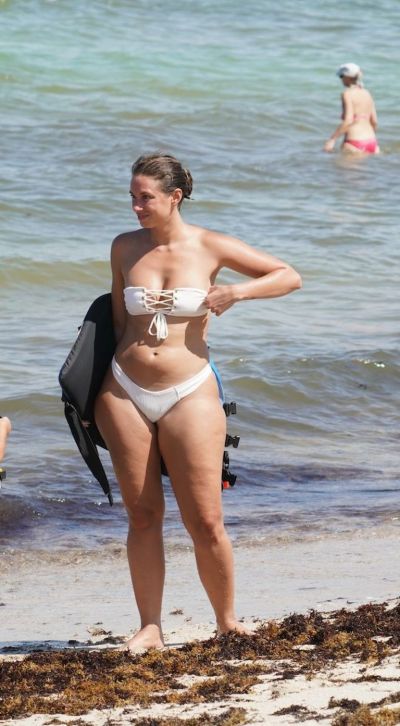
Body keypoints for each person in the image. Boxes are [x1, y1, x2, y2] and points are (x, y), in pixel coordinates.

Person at [95, 153, 302, 652]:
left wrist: (236, 293)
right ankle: (150, 627)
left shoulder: (210, 246)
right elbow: (117, 322)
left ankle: (227, 621)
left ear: (174, 197)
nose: (136, 206)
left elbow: (288, 276)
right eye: (132, 197)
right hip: (123, 388)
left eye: (145, 197)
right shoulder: (124, 247)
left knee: (205, 520)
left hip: (189, 388)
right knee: (142, 515)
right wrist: (90, 395)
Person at [324, 63, 379, 154]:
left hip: (354, 142)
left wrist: (332, 140)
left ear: (347, 77)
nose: (341, 79)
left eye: (341, 76)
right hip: (372, 142)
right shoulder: (367, 93)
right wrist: (368, 139)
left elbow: (348, 121)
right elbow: (374, 121)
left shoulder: (347, 94)